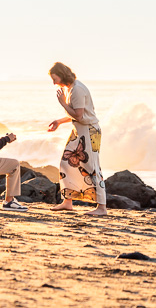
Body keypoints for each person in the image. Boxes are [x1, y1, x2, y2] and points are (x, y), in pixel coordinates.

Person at [47, 62, 108, 215]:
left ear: (62, 75)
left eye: (55, 79)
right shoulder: (70, 89)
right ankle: (67, 201)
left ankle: (102, 207)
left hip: (88, 131)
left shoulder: (77, 90)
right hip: (78, 131)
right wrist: (59, 121)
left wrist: (62, 104)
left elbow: (79, 115)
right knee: (67, 163)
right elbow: (75, 113)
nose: (54, 83)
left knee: (92, 168)